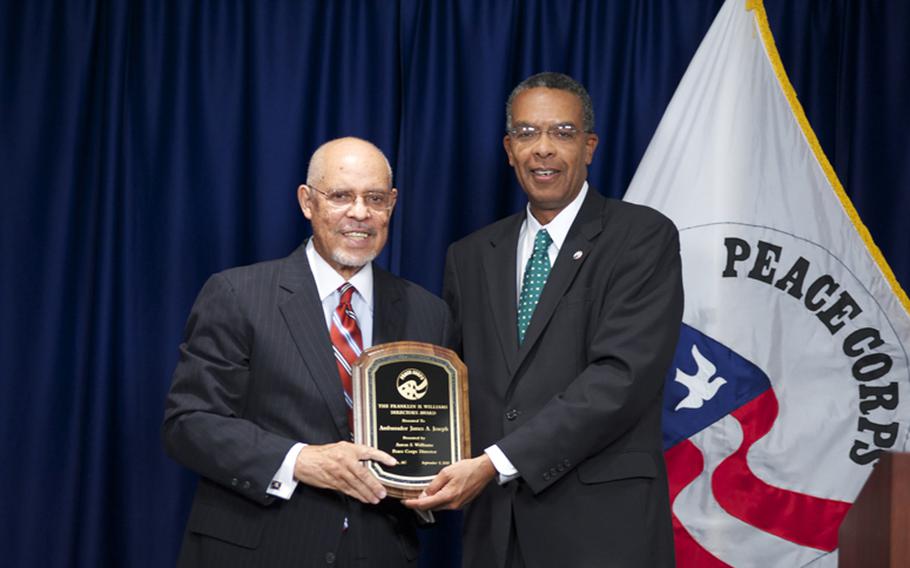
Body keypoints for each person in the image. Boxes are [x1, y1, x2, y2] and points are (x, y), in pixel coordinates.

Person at [404, 72, 683, 567]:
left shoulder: (641, 237)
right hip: (494, 531)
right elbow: (457, 384)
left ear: (590, 146)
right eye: (528, 134)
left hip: (602, 531)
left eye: (563, 132)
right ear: (509, 149)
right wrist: (410, 459)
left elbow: (620, 379)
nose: (544, 149)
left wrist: (494, 463)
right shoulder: (470, 255)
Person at [163, 137, 451, 567]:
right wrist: (299, 460)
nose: (359, 213)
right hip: (258, 549)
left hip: (379, 552)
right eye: (340, 196)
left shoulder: (428, 313)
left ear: (391, 204)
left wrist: (432, 479)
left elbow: (428, 438)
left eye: (374, 198)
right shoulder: (238, 294)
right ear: (307, 201)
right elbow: (189, 423)